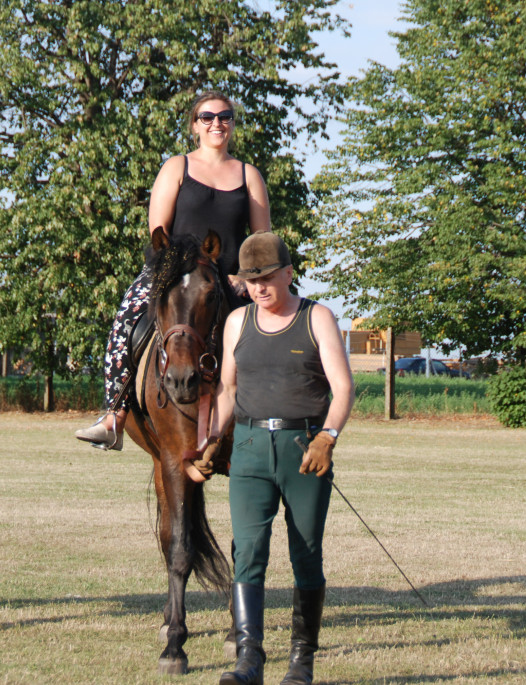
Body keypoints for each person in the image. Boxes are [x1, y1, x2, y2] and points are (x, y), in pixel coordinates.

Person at [198, 232, 354, 685]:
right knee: (247, 551)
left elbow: (343, 387)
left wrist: (328, 435)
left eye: (267, 277)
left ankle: (301, 663)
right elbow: (227, 389)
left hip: (304, 451)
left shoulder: (317, 318)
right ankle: (249, 661)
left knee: (306, 554)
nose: (260, 287)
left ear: (288, 273)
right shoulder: (237, 323)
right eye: (251, 280)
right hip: (247, 450)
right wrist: (211, 439)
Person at [75, 90, 271, 449]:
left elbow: (262, 241)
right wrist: (172, 271)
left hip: (230, 280)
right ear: (194, 125)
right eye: (208, 117)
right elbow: (158, 232)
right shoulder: (176, 167)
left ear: (232, 124)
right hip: (173, 273)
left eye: (225, 116)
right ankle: (114, 416)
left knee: (280, 327)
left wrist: (245, 276)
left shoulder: (249, 175)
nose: (217, 123)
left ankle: (284, 421)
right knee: (125, 321)